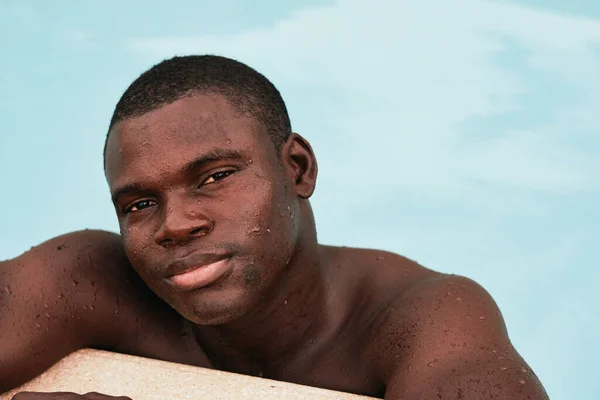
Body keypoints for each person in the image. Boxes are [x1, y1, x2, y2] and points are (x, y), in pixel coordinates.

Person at [1, 55, 549, 399]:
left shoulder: (423, 315)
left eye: (214, 176)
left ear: (297, 169)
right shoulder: (90, 277)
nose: (175, 224)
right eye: (140, 205)